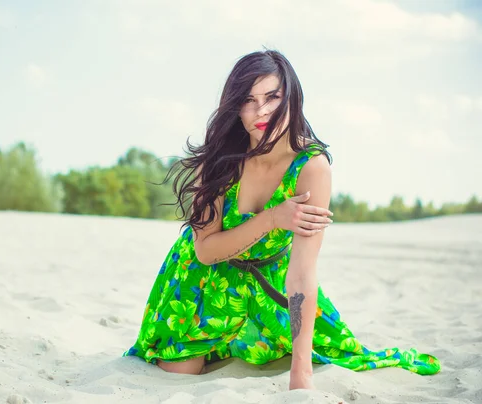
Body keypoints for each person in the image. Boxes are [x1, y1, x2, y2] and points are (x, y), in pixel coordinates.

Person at [123, 49, 440, 390]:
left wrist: (301, 375)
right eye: (249, 100)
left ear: (291, 97)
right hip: (202, 278)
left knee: (327, 355)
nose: (262, 111)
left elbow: (303, 270)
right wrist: (273, 218)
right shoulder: (219, 161)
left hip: (271, 284)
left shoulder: (311, 168)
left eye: (272, 97)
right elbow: (205, 251)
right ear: (236, 108)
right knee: (180, 370)